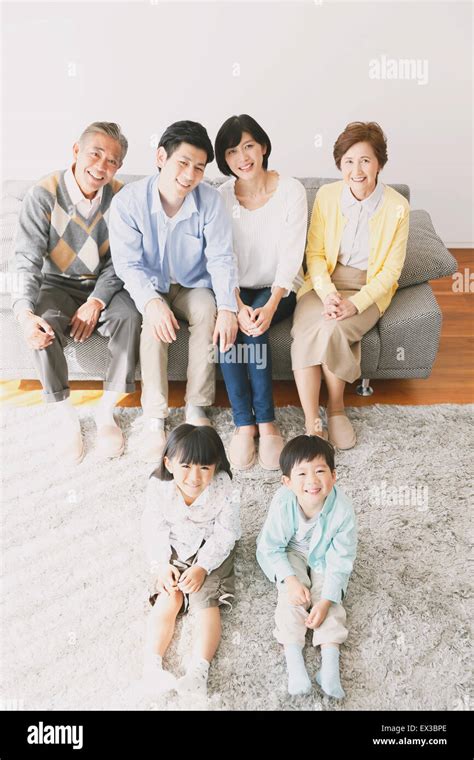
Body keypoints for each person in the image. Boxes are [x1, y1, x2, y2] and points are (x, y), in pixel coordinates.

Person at [109, 121, 239, 463]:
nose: (190, 175)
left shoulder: (210, 202)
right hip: (150, 285)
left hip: (192, 284)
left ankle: (196, 408)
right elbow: (126, 264)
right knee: (154, 324)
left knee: (208, 308)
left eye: (199, 168)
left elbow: (222, 258)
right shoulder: (129, 201)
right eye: (183, 163)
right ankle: (155, 415)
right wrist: (151, 302)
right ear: (161, 157)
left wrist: (229, 306)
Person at [12, 122, 141, 464]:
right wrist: (24, 314)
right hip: (56, 284)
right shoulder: (43, 194)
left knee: (131, 316)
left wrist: (97, 301)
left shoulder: (121, 197)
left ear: (119, 167)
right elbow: (25, 259)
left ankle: (105, 412)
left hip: (105, 285)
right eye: (95, 154)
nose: (101, 166)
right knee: (42, 326)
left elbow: (122, 261)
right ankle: (66, 417)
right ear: (75, 152)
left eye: (111, 161)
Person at [291, 122, 410, 448]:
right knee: (305, 332)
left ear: (379, 164)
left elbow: (390, 271)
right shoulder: (327, 197)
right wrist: (328, 294)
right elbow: (314, 254)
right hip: (323, 283)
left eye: (365, 160)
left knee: (334, 329)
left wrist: (355, 303)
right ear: (339, 165)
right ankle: (312, 421)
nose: (356, 170)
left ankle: (337, 408)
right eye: (348, 161)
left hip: (368, 288)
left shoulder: (398, 207)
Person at [215, 114, 307, 470]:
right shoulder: (220, 197)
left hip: (279, 288)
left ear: (264, 147)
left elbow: (291, 254)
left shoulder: (291, 191)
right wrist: (235, 305)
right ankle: (243, 425)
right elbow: (221, 257)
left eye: (249, 146)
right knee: (228, 332)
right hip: (236, 289)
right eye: (232, 151)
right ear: (225, 160)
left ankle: (267, 425)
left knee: (257, 334)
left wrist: (269, 306)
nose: (242, 157)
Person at [141, 424, 241, 696]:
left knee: (204, 603)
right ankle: (151, 666)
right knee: (168, 597)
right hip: (173, 546)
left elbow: (226, 532)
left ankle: (199, 670)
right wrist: (162, 564)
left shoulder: (224, 486)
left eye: (205, 468)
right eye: (185, 467)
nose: (195, 477)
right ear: (169, 463)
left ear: (216, 467)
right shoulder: (158, 487)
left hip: (212, 548)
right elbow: (154, 527)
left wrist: (201, 566)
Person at [257, 435, 357, 698]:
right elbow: (271, 547)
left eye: (320, 471)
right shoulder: (283, 503)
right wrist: (290, 579)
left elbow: (341, 560)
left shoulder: (343, 510)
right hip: (288, 552)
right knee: (292, 598)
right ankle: (295, 664)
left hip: (326, 556)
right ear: (287, 482)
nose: (312, 481)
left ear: (334, 476)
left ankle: (329, 667)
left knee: (331, 601)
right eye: (301, 473)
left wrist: (324, 601)